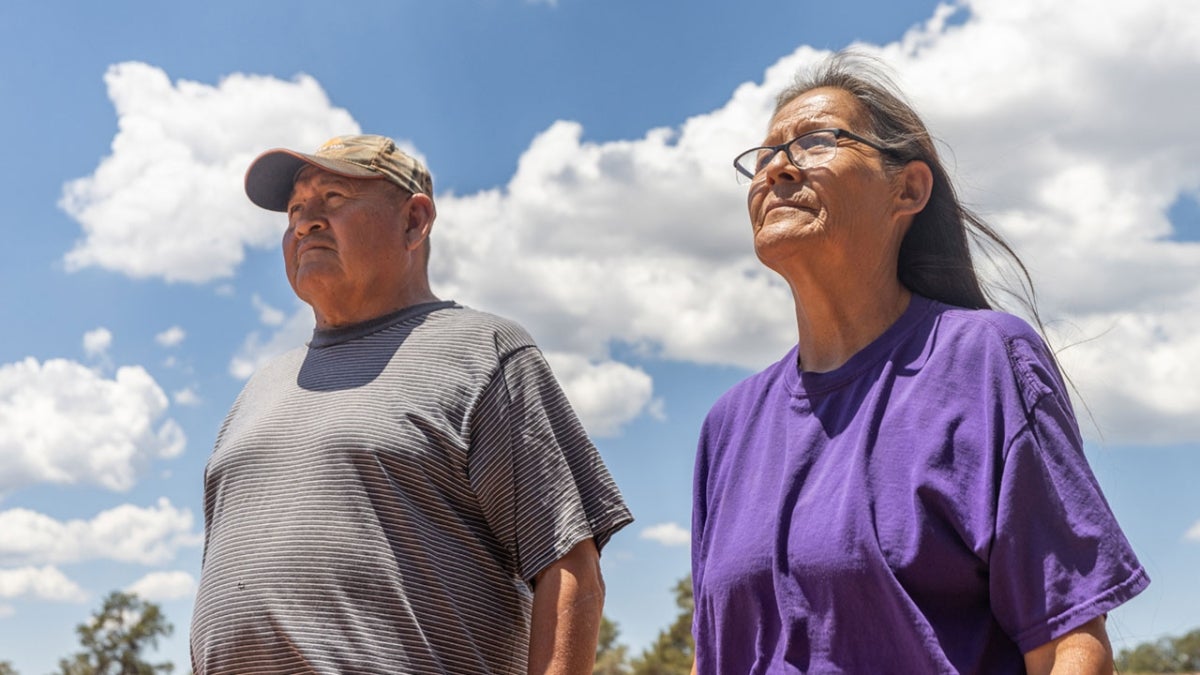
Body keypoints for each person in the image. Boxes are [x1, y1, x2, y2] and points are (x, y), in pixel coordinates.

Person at [690, 53, 1149, 673]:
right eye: (765, 154)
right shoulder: (729, 425)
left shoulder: (984, 362)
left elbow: (1068, 642)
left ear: (907, 188)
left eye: (815, 141)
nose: (777, 169)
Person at [190, 134, 633, 674]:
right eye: (295, 210)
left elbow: (569, 568)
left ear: (414, 222)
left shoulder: (482, 352)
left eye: (332, 199)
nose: (306, 222)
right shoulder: (258, 390)